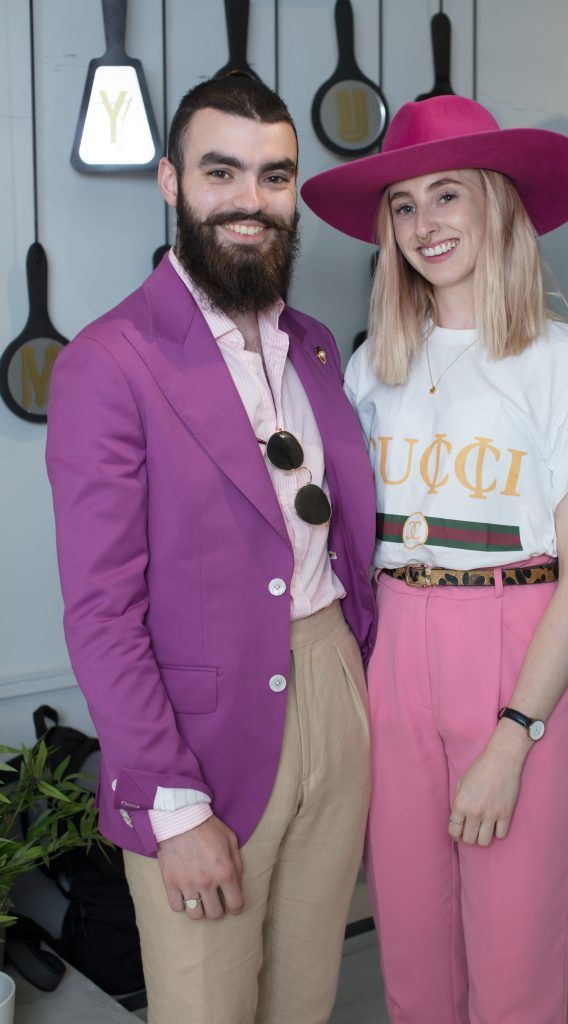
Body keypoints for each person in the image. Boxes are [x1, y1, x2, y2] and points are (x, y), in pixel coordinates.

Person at [46, 74, 376, 1024]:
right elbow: (101, 611)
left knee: (306, 994)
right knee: (207, 1006)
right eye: (221, 171)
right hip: (196, 735)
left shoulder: (315, 347)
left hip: (332, 690)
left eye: (274, 177)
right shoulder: (109, 361)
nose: (250, 200)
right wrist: (171, 804)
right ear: (170, 181)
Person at [301, 95, 568, 1023]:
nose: (423, 224)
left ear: (497, 204)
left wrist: (513, 734)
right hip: (394, 648)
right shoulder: (372, 368)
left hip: (514, 647)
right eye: (403, 206)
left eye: (447, 195)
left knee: (512, 958)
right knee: (410, 951)